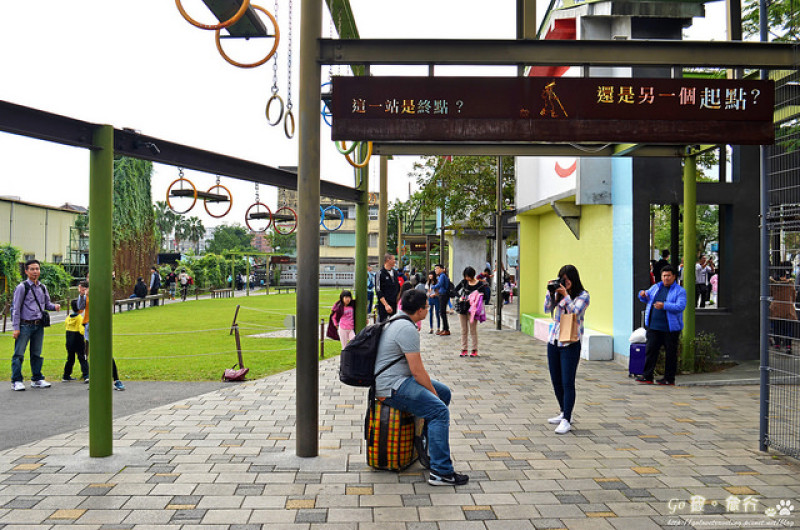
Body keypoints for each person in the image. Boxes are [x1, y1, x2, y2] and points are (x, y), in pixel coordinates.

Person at [375, 289, 469, 486]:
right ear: (419, 311)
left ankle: (427, 448)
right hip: (392, 386)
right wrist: (433, 397)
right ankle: (441, 472)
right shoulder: (406, 329)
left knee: (444, 393)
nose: (428, 309)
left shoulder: (397, 320)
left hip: (396, 380)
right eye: (426, 307)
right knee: (439, 410)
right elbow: (417, 372)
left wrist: (435, 395)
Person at [543, 264, 590, 434]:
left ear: (574, 279)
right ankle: (564, 411)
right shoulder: (558, 294)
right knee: (556, 380)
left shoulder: (583, 296)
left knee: (567, 381)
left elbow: (575, 312)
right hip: (554, 340)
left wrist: (565, 296)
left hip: (570, 343)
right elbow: (546, 309)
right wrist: (550, 294)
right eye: (562, 279)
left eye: (567, 279)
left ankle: (567, 419)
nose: (565, 282)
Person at [11, 259, 60, 390]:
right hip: (24, 325)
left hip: (38, 326)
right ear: (26, 271)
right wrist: (16, 328)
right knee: (19, 354)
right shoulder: (22, 287)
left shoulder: (42, 287)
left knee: (36, 354)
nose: (35, 271)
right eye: (32, 269)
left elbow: (46, 304)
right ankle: (16, 381)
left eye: (37, 269)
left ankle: (37, 379)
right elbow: (16, 308)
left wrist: (54, 306)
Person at [636, 265, 687, 386]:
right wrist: (641, 294)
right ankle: (647, 375)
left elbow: (680, 306)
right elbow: (646, 298)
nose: (666, 278)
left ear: (674, 276)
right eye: (664, 276)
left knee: (670, 354)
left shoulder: (680, 291)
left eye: (669, 275)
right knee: (650, 351)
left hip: (670, 329)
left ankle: (669, 378)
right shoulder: (656, 287)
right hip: (654, 327)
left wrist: (664, 305)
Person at [79, 279, 125, 390]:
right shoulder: (85, 296)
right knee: (91, 354)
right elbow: (80, 307)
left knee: (107, 353)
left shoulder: (101, 293)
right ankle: (95, 380)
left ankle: (116, 379)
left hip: (100, 326)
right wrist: (81, 295)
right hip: (89, 327)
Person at [455, 266, 491, 357]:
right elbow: (455, 290)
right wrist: (460, 297)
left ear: (472, 275)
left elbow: (486, 296)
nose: (467, 278)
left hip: (473, 310)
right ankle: (464, 349)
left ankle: (474, 349)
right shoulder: (464, 282)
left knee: (473, 330)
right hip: (463, 308)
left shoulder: (480, 284)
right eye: (465, 276)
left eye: (468, 276)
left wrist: (475, 297)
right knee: (464, 330)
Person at [770, 263, 796, 354]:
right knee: (788, 328)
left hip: (776, 308)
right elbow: (794, 296)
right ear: (785, 274)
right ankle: (788, 346)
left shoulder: (773, 284)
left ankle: (777, 344)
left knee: (777, 327)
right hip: (787, 308)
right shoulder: (790, 284)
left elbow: (771, 294)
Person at [62, 299, 89, 383]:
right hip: (78, 340)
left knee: (70, 358)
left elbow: (66, 326)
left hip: (69, 339)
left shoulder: (68, 318)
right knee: (82, 358)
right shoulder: (80, 318)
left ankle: (66, 375)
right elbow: (81, 331)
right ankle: (86, 375)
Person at [376, 254, 400, 323]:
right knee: (383, 323)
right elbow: (378, 290)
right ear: (388, 260)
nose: (394, 261)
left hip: (394, 303)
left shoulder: (395, 273)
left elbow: (397, 287)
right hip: (384, 304)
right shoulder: (380, 273)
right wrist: (386, 305)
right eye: (393, 259)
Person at [433, 264, 451, 335]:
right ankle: (444, 328)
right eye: (435, 269)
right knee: (442, 312)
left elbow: (440, 284)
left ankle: (446, 329)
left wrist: (433, 286)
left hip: (443, 295)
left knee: (442, 312)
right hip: (442, 294)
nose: (436, 270)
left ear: (442, 269)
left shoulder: (442, 276)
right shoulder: (441, 276)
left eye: (437, 268)